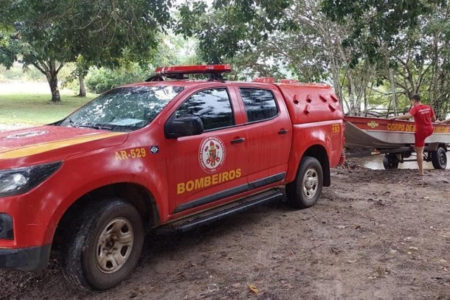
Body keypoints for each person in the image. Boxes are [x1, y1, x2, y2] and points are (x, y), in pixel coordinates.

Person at [390, 94, 436, 175]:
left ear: (413, 100)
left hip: (421, 131)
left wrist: (395, 117)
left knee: (419, 152)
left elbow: (408, 116)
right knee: (419, 145)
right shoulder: (428, 107)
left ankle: (421, 172)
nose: (411, 103)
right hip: (430, 129)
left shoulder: (415, 108)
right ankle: (416, 146)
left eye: (411, 102)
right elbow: (434, 119)